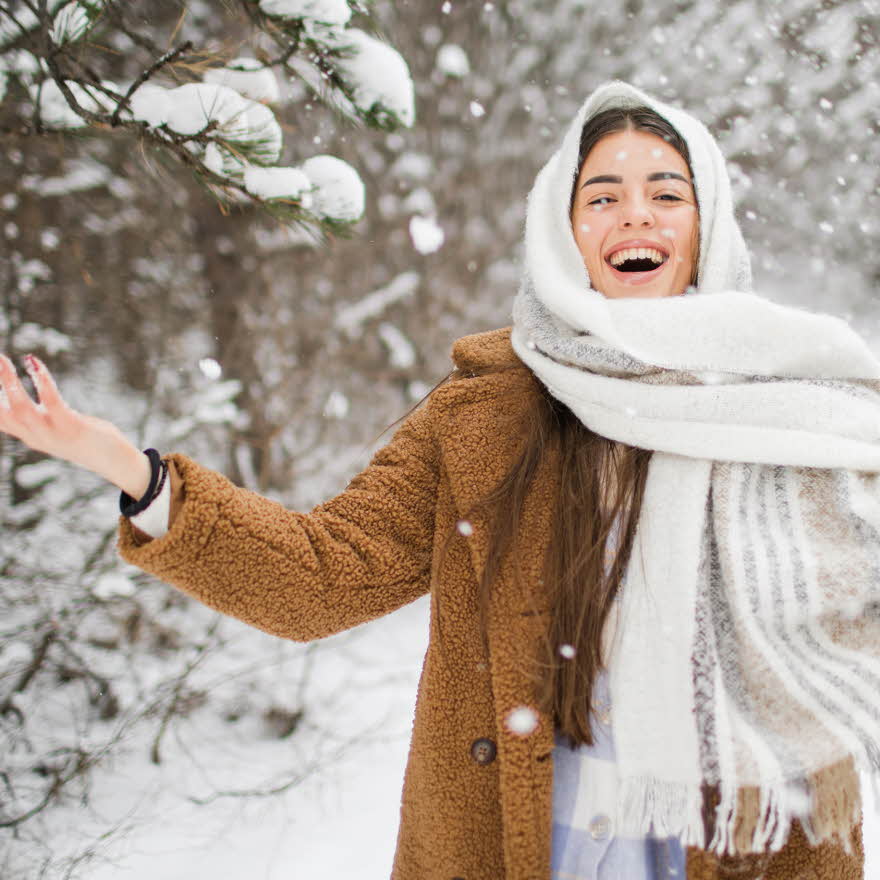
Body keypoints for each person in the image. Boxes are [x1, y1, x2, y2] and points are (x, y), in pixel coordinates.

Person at [0, 80, 875, 880]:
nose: (634, 217)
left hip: (737, 843)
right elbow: (322, 575)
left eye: (666, 195)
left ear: (706, 224)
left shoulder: (793, 412)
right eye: (602, 196)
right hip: (527, 838)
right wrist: (131, 471)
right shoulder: (483, 412)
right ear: (561, 230)